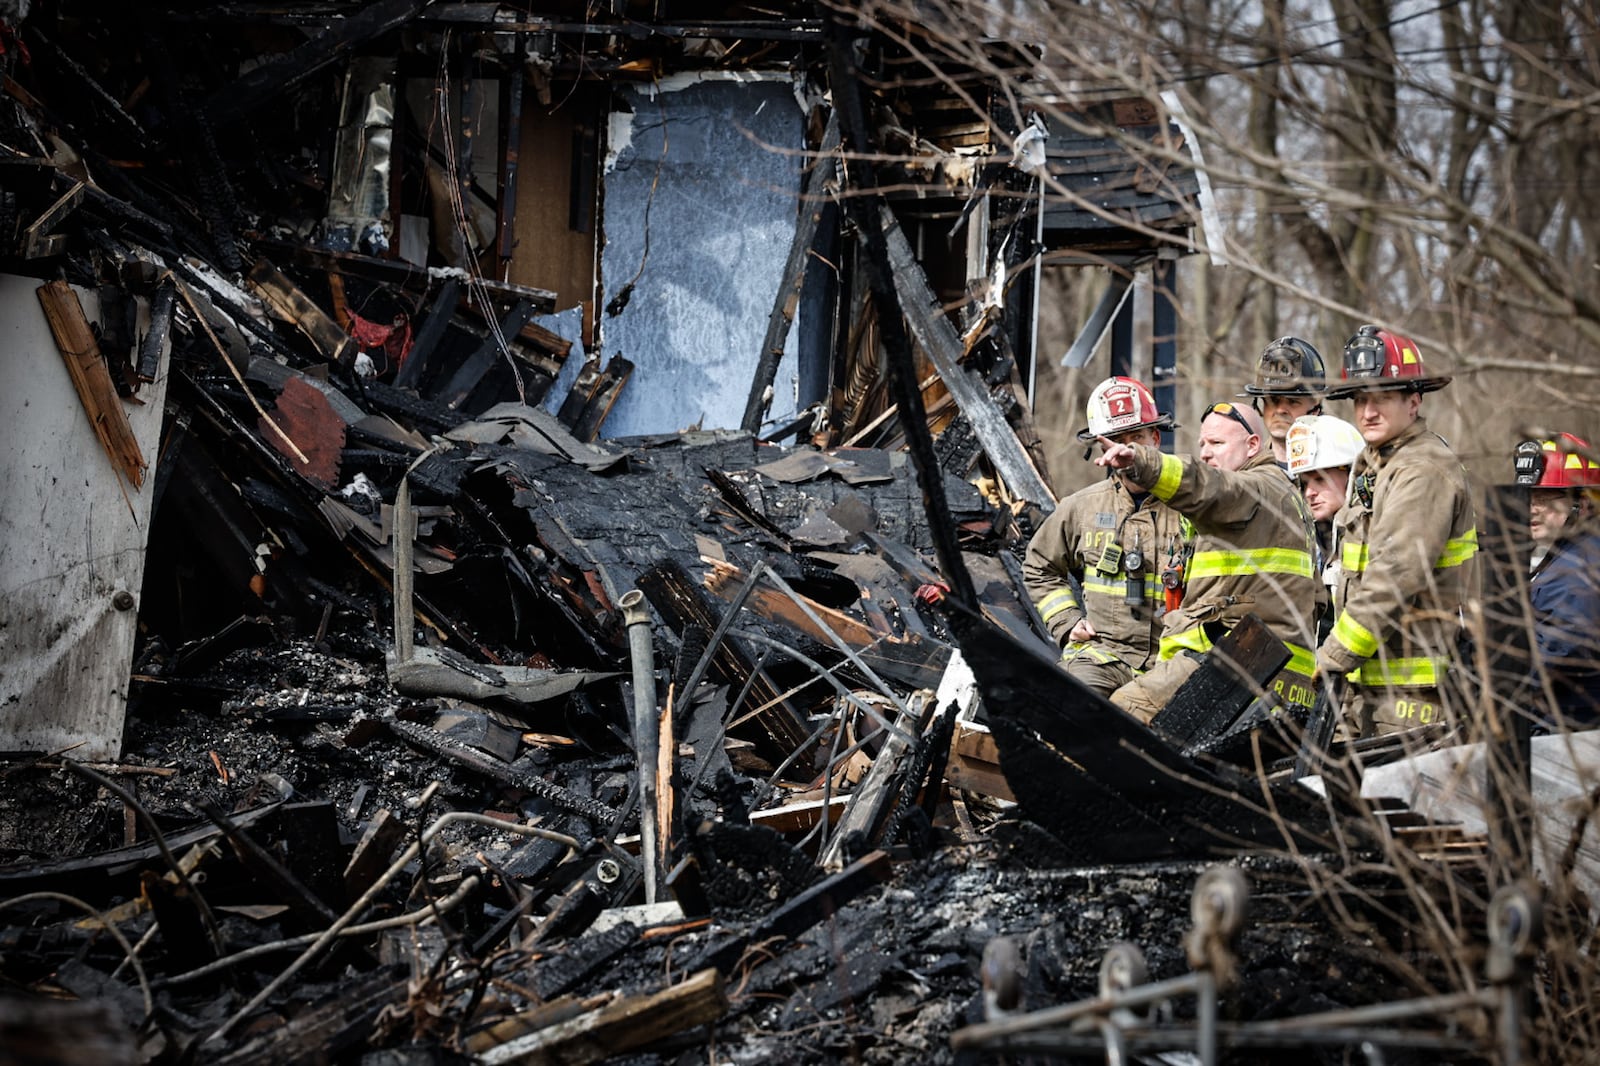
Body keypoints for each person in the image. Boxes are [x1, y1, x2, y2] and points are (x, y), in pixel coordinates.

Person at [1095, 400, 1320, 723]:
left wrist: (1143, 463)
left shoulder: (1255, 488)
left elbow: (1209, 486)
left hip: (1236, 664)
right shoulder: (1288, 498)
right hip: (1282, 676)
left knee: (1124, 713)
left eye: (1216, 443)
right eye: (1201, 444)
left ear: (1253, 445)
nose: (1205, 453)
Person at [1315, 325, 1478, 738]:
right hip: (1370, 680)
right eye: (1360, 399)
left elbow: (1395, 574)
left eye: (1382, 398)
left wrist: (1334, 653)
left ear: (1413, 401)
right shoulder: (1375, 464)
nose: (1368, 411)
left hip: (1413, 694)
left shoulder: (1422, 469)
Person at [1023, 377, 1189, 696]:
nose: (1124, 450)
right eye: (1115, 439)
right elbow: (1037, 566)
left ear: (1155, 438)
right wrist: (1066, 621)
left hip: (1171, 663)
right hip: (1101, 657)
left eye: (1136, 437)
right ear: (1101, 447)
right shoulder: (1081, 508)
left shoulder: (1190, 507)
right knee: (1069, 703)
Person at [1514, 434, 1600, 729]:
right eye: (1529, 497)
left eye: (1546, 498)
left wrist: (1490, 676)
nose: (1532, 508)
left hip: (1570, 741)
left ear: (1584, 503)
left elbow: (1558, 653)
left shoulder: (1578, 573)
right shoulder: (1568, 557)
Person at [1285, 414, 1365, 603]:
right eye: (1304, 484)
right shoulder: (1308, 538)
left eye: (1320, 479)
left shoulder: (1374, 528)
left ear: (1352, 475)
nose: (1310, 493)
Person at [1241, 337, 1327, 466]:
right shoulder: (1248, 469)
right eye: (1273, 400)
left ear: (1315, 406)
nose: (1280, 410)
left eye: (1292, 401)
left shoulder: (1337, 464)